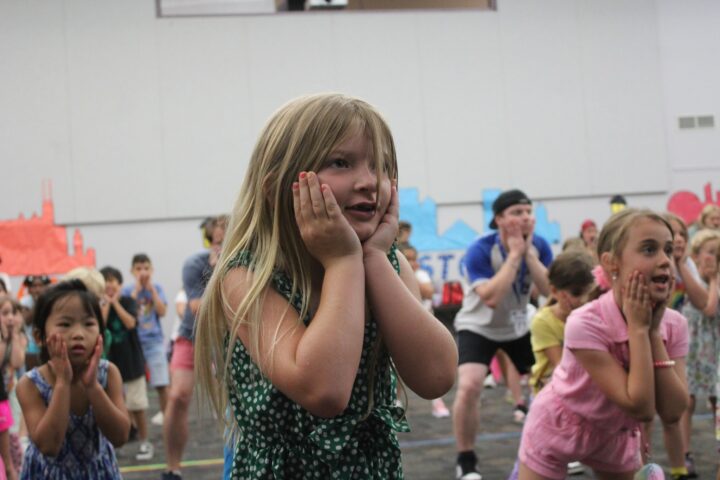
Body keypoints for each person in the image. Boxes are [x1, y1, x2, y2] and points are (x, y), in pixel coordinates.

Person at [193, 93, 457, 479]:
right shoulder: (247, 277)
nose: (369, 182)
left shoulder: (387, 263)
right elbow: (324, 390)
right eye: (341, 162)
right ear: (277, 187)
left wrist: (372, 260)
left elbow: (436, 377)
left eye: (381, 166)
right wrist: (343, 261)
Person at [517, 209, 689, 480]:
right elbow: (640, 407)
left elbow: (672, 411)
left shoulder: (674, 324)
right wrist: (639, 328)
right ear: (611, 263)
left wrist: (653, 333)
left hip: (616, 434)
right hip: (560, 424)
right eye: (648, 249)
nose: (665, 260)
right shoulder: (585, 322)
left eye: (668, 249)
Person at [453, 188, 552, 479]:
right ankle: (466, 459)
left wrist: (529, 255)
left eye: (528, 212)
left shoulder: (541, 245)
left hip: (517, 326)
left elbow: (549, 292)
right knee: (469, 386)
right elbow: (491, 297)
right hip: (478, 326)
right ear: (498, 220)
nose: (524, 218)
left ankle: (552, 448)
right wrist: (514, 256)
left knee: (550, 385)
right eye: (516, 213)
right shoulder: (480, 249)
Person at [16, 280, 129, 479]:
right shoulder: (30, 384)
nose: (78, 334)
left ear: (101, 334)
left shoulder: (108, 374)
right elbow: (49, 445)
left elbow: (120, 436)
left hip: (98, 472)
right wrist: (62, 383)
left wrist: (92, 386)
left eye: (88, 324)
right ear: (39, 336)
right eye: (65, 324)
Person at [161, 215, 227, 480]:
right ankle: (172, 468)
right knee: (177, 397)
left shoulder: (247, 259)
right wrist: (216, 270)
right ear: (209, 240)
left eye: (226, 240)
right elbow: (198, 309)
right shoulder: (194, 264)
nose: (221, 246)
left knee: (233, 403)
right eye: (217, 241)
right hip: (193, 335)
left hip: (229, 337)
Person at [100, 266, 152, 461]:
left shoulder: (129, 301)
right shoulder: (98, 305)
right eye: (105, 281)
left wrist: (115, 303)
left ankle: (145, 442)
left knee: (137, 405)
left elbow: (130, 323)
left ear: (120, 284)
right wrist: (106, 304)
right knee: (112, 406)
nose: (109, 284)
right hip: (110, 365)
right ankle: (114, 445)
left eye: (113, 280)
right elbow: (99, 326)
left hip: (132, 362)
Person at [679, 229, 720, 477]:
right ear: (696, 255)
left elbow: (713, 309)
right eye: (710, 252)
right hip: (693, 346)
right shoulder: (689, 276)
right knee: (688, 399)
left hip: (715, 346)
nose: (714, 258)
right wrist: (711, 280)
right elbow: (706, 306)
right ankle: (685, 452)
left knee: (717, 401)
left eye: (718, 253)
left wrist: (715, 279)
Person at [399, 243, 451, 418]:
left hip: (425, 328)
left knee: (433, 366)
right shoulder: (392, 274)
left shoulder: (420, 274)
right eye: (408, 259)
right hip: (403, 328)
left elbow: (429, 292)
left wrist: (409, 273)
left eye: (414, 259)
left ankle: (437, 402)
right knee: (396, 369)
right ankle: (396, 402)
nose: (413, 263)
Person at [122, 254, 169, 426]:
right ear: (132, 271)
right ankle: (133, 421)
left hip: (154, 341)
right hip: (134, 343)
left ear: (152, 270)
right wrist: (136, 290)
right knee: (132, 383)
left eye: (146, 268)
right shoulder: (127, 291)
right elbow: (127, 311)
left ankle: (166, 415)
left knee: (161, 382)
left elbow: (162, 311)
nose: (143, 272)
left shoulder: (157, 288)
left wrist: (152, 291)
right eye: (139, 269)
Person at [0, 296, 26, 480]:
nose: (10, 318)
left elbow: (17, 362)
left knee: (13, 440)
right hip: (2, 397)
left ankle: (14, 472)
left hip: (10, 394)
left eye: (13, 313)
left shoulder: (20, 337)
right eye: (4, 313)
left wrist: (14, 335)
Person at [19, 276, 51, 371]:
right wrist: (38, 302)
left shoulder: (51, 300)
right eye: (34, 286)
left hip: (47, 342)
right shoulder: (24, 302)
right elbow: (25, 320)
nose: (37, 289)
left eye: (40, 286)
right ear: (29, 289)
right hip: (30, 345)